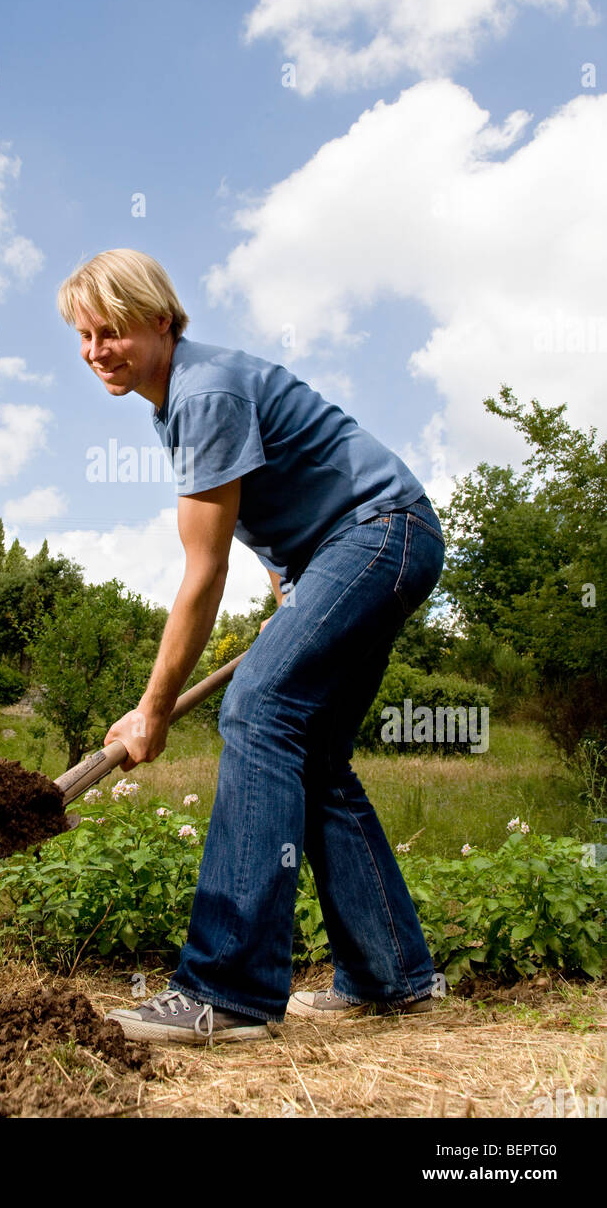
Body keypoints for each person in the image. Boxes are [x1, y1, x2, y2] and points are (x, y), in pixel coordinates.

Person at [57, 248, 446, 1045]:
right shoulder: (178, 398)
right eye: (85, 335)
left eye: (113, 331)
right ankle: (394, 975)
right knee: (315, 759)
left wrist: (151, 711)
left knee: (258, 710)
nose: (96, 351)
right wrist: (293, 594)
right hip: (363, 545)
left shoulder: (204, 392)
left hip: (377, 534)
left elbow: (202, 571)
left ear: (161, 320)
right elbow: (271, 507)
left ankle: (226, 990)